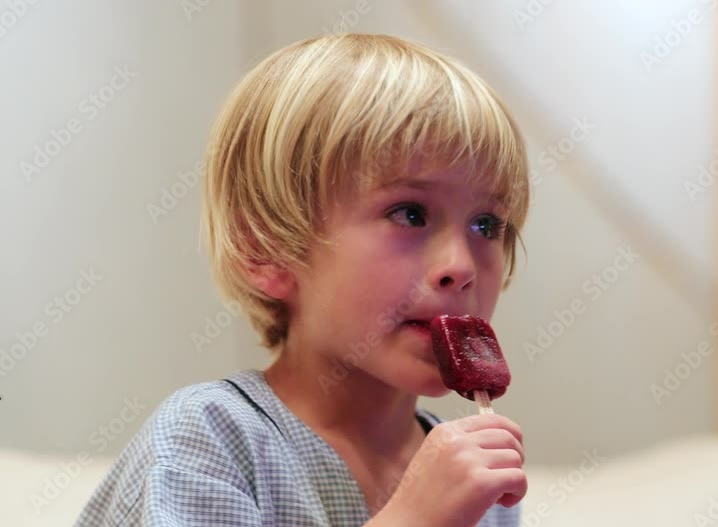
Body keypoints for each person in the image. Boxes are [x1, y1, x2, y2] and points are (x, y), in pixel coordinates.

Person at [77, 32, 531, 526]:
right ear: (266, 251)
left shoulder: (475, 479)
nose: (462, 265)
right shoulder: (208, 438)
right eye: (410, 213)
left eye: (486, 225)